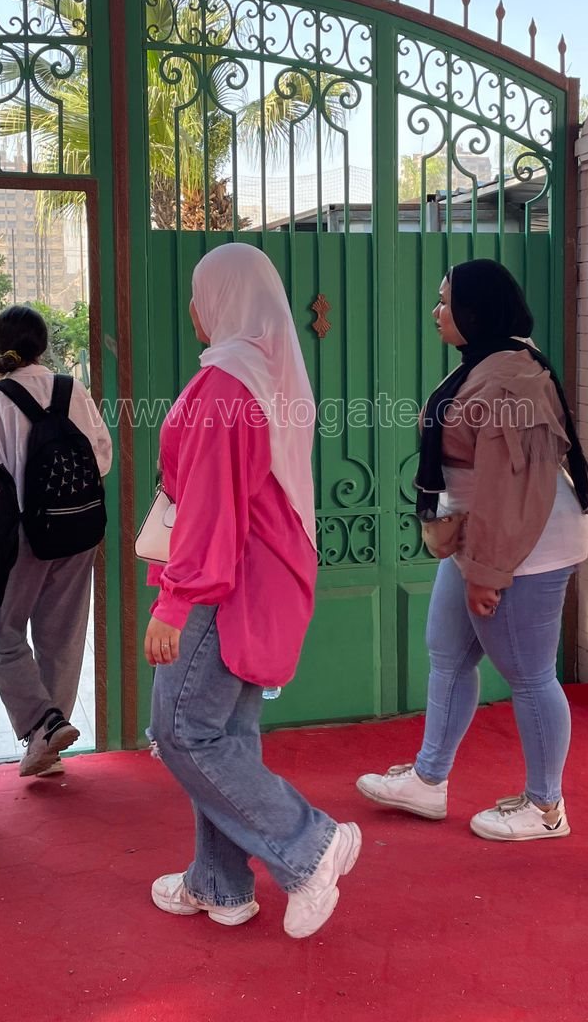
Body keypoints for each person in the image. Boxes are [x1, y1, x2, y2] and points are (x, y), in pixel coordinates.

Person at [145, 242, 360, 940]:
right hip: (258, 576)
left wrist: (175, 600)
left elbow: (210, 506)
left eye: (199, 292)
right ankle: (220, 883)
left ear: (223, 298)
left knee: (182, 731)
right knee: (225, 735)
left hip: (222, 583)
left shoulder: (226, 385)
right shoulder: (266, 372)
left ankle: (309, 844)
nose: (191, 307)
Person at [355, 259, 588, 842]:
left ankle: (546, 808)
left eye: (446, 301)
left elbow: (514, 488)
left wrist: (489, 571)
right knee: (447, 652)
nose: (436, 312)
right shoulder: (488, 363)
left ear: (477, 310)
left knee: (529, 675)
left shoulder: (512, 378)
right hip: (483, 536)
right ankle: (428, 780)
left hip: (523, 543)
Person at [0, 305, 113, 779]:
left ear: (0, 345)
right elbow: (103, 458)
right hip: (78, 527)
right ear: (43, 345)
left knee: (1, 632)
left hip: (19, 533)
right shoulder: (73, 390)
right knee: (63, 635)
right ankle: (50, 743)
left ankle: (42, 725)